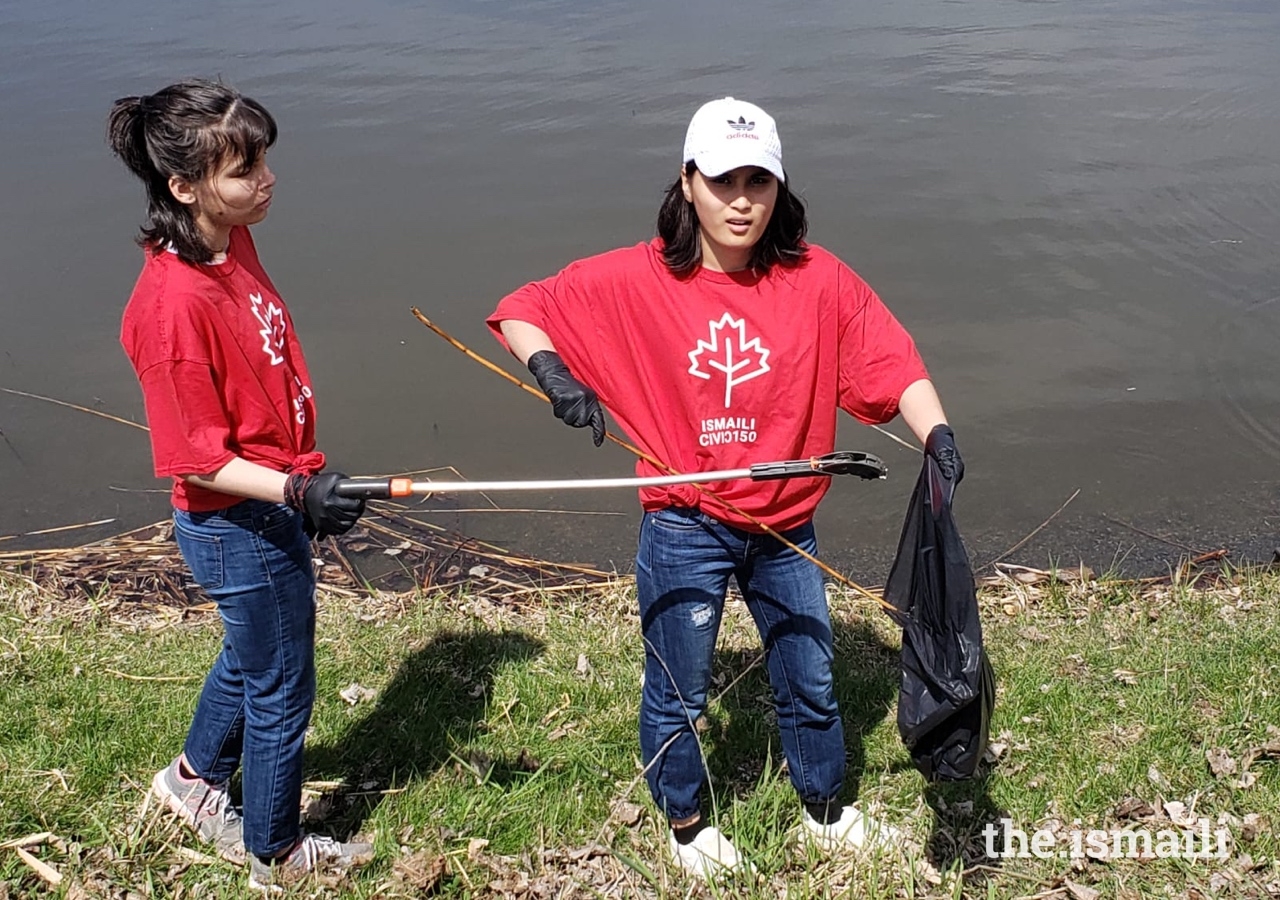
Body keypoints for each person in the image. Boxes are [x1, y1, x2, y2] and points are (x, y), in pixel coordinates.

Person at [487, 97, 963, 880]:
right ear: (687, 182)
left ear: (780, 189)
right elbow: (522, 310)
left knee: (810, 676)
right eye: (721, 181)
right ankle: (687, 827)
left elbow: (894, 361)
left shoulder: (817, 280)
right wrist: (554, 374)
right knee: (679, 689)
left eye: (758, 182)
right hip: (685, 521)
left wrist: (937, 435)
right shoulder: (633, 278)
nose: (741, 201)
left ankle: (825, 810)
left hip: (786, 526)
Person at [108, 79, 373, 893]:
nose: (265, 181)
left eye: (262, 161)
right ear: (182, 187)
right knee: (283, 681)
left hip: (268, 500)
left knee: (254, 655)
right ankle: (275, 851)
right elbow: (193, 458)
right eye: (242, 171)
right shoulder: (173, 308)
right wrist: (296, 495)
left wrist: (301, 472)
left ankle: (189, 784)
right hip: (236, 523)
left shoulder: (226, 238)